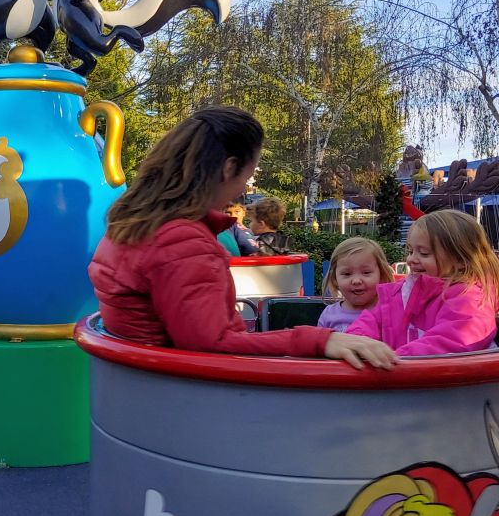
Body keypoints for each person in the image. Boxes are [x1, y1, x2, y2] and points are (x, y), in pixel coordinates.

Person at [88, 105, 398, 370]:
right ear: (230, 168)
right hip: (179, 399)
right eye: (247, 177)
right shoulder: (181, 240)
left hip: (143, 387)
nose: (243, 190)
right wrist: (320, 340)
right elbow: (212, 345)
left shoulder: (133, 223)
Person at [347, 210, 499, 355]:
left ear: (461, 259)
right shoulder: (403, 292)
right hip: (399, 377)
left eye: (424, 253)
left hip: (434, 381)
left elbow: (450, 342)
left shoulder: (469, 300)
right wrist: (356, 344)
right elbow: (372, 320)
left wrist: (393, 360)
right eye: (410, 251)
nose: (411, 260)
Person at [317, 237, 394, 332]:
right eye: (347, 274)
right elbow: (320, 345)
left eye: (366, 272)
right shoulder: (329, 315)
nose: (356, 281)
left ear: (381, 275)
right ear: (335, 279)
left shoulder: (388, 312)